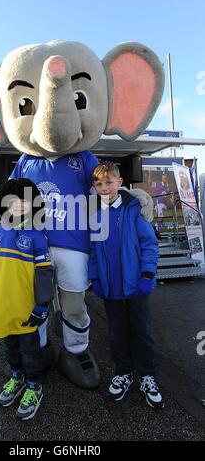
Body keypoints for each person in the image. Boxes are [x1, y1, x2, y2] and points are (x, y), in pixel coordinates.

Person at [88, 162, 164, 409]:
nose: (104, 188)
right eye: (99, 184)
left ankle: (148, 375)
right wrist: (96, 279)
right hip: (111, 289)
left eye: (109, 182)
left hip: (136, 286)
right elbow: (93, 251)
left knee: (141, 332)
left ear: (120, 183)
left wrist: (147, 274)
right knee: (117, 333)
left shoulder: (133, 210)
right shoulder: (95, 215)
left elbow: (149, 244)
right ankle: (124, 372)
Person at [0, 178, 54, 421]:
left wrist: (42, 304)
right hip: (2, 307)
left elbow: (44, 273)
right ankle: (16, 377)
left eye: (25, 199)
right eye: (14, 199)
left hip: (26, 309)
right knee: (10, 349)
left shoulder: (38, 236)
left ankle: (34, 386)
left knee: (30, 351)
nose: (19, 204)